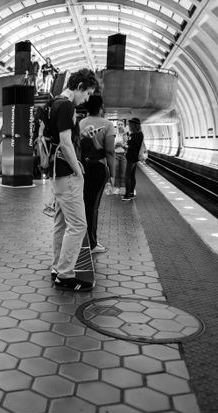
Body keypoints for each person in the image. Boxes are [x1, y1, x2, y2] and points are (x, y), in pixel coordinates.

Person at [48, 68, 98, 291]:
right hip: (67, 173)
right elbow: (65, 142)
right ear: (79, 87)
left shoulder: (55, 102)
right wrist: (78, 169)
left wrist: (81, 133)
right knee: (78, 224)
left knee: (61, 222)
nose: (86, 99)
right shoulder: (67, 105)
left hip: (57, 172)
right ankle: (65, 275)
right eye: (87, 94)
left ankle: (57, 267)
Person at [79, 95, 115, 254]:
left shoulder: (80, 123)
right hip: (99, 169)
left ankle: (83, 239)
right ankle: (92, 244)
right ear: (101, 108)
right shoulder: (107, 124)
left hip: (82, 168)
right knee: (94, 207)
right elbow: (110, 152)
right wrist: (112, 175)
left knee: (85, 204)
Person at [122, 117, 147, 201]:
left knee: (127, 176)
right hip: (134, 157)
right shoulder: (139, 134)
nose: (129, 126)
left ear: (134, 125)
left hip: (131, 157)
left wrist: (126, 145)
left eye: (130, 125)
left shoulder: (135, 135)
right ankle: (131, 193)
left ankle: (127, 195)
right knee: (132, 176)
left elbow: (132, 145)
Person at [113, 122, 127, 195]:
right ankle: (116, 188)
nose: (120, 126)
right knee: (116, 172)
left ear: (123, 126)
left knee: (123, 172)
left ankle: (123, 188)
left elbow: (128, 145)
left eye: (121, 124)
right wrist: (115, 145)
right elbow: (110, 144)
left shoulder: (125, 134)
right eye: (119, 124)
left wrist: (123, 145)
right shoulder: (114, 134)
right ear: (117, 125)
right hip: (115, 154)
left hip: (123, 155)